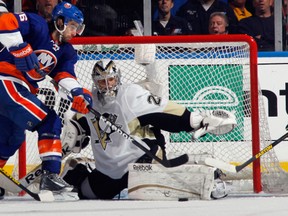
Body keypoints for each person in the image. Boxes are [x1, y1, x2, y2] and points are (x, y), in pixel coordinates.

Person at [60, 59, 237, 200]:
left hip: (140, 159)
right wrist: (60, 151)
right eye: (101, 81)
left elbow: (166, 112)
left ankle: (209, 178)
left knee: (161, 189)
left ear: (118, 78)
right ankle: (81, 168)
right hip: (109, 170)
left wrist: (196, 120)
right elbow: (75, 135)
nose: (107, 85)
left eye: (110, 79)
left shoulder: (130, 94)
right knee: (86, 193)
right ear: (95, 82)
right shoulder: (88, 102)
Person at [0, 1, 92, 200]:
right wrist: (19, 46)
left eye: (78, 28)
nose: (75, 32)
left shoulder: (66, 51)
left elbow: (64, 75)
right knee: (49, 120)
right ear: (60, 21)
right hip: (5, 81)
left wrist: (78, 93)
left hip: (17, 90)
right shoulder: (37, 24)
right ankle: (50, 176)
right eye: (73, 26)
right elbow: (4, 20)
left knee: (11, 137)